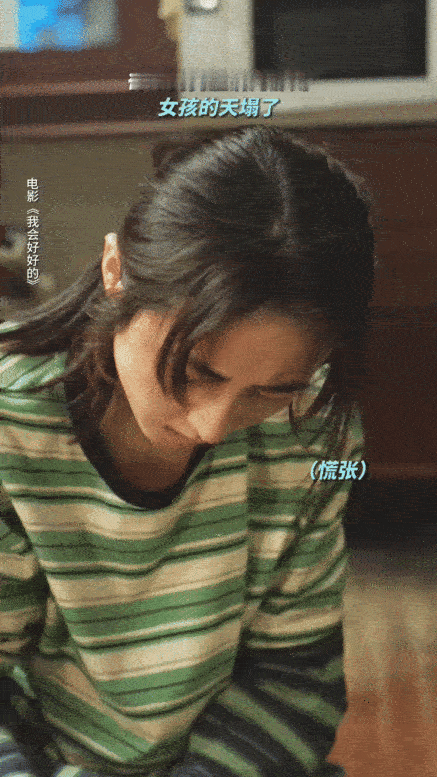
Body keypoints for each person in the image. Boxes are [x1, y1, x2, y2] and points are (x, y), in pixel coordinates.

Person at [0, 127, 374, 777]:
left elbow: (294, 675)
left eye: (273, 389)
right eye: (196, 371)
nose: (212, 426)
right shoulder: (12, 429)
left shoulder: (313, 432)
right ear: (116, 272)